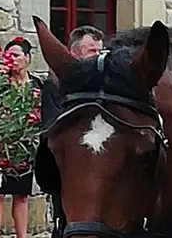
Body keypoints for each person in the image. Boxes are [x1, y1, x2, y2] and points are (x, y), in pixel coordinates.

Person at [38, 26, 104, 238]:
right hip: (69, 167)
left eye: (100, 51)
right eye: (92, 50)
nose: (98, 56)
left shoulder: (105, 86)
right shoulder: (54, 86)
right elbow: (52, 126)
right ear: (74, 52)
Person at [0, 38, 43, 238]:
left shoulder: (36, 84)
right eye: (8, 55)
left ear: (27, 58)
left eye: (16, 55)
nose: (11, 59)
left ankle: (22, 236)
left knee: (21, 195)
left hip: (25, 146)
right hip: (0, 144)